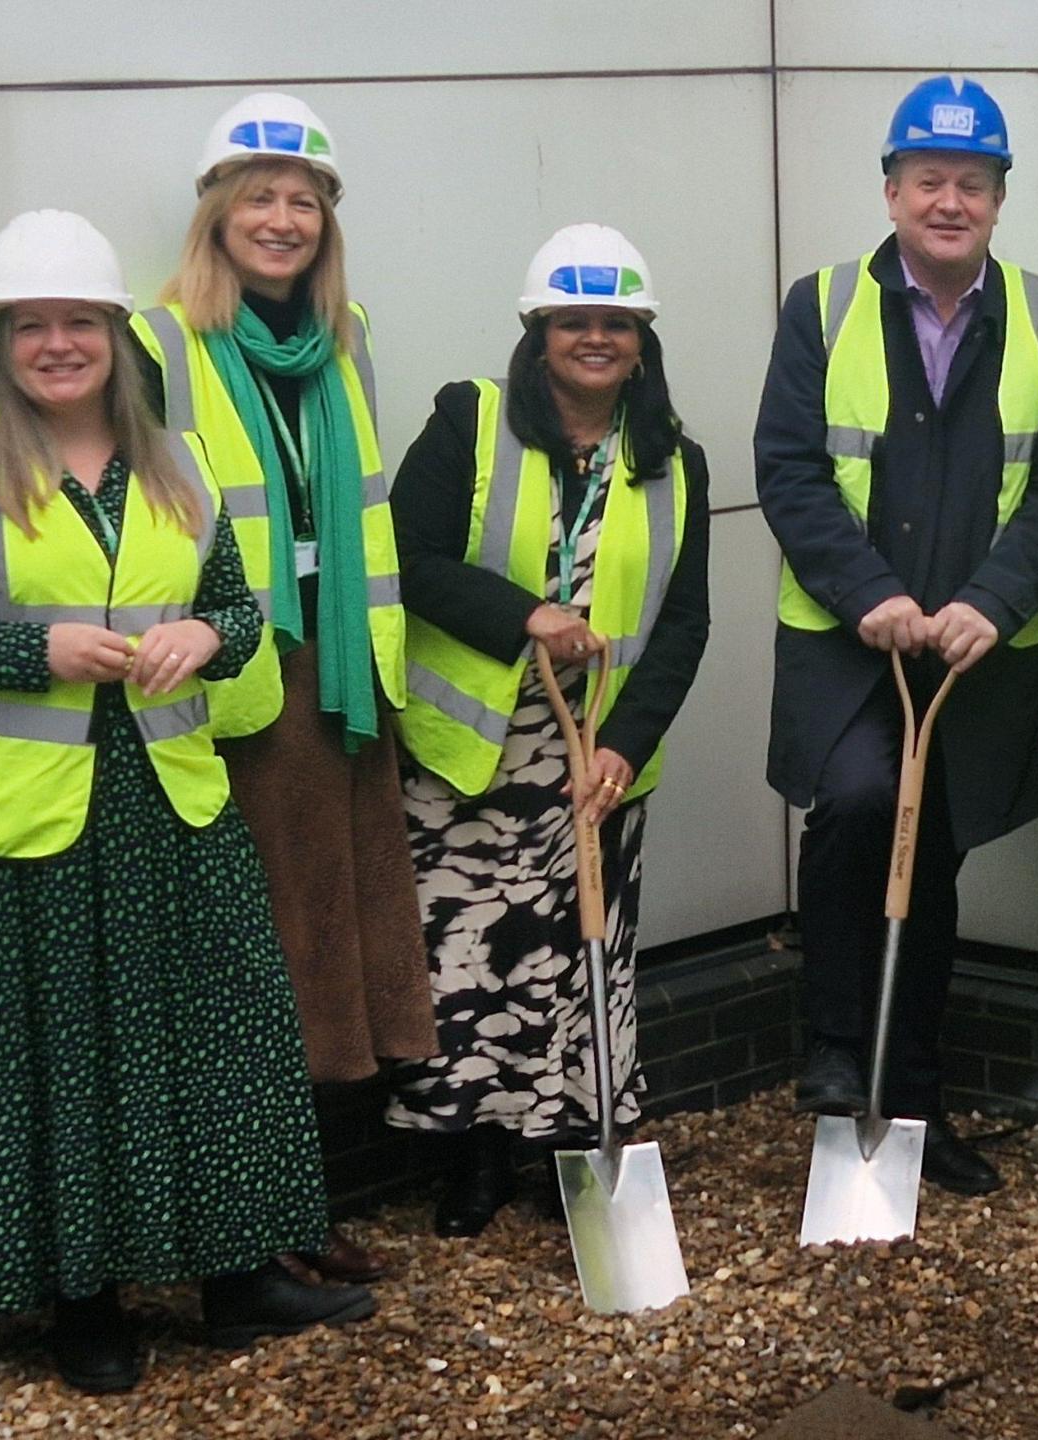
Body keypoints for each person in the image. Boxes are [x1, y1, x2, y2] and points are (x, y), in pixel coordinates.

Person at [0, 210, 373, 1394]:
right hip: (10, 824)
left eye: (76, 321)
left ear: (113, 334)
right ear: (2, 342)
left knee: (219, 1039)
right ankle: (85, 1302)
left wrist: (206, 631)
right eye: (30, 326)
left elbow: (238, 613)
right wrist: (37, 652)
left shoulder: (181, 466)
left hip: (168, 804)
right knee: (59, 1055)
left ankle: (239, 1278)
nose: (56, 344)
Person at [756, 73, 1038, 1196]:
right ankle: (835, 1049)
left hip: (971, 651)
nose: (948, 201)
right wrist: (869, 593)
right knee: (859, 803)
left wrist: (991, 605)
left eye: (972, 183)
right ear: (892, 189)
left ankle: (910, 1102)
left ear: (1000, 198)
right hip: (849, 642)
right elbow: (791, 469)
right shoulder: (819, 306)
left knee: (933, 859)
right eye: (927, 181)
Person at [131, 92, 434, 1283]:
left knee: (330, 945)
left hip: (340, 678)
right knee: (256, 959)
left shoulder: (343, 332)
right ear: (214, 214)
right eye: (257, 196)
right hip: (228, 692)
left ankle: (294, 1211)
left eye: (303, 201)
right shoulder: (155, 344)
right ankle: (255, 1226)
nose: (281, 218)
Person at [385, 223, 710, 1236]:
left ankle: (571, 1156)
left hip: (595, 757)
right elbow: (410, 555)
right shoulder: (469, 424)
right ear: (538, 332)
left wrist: (627, 743)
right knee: (476, 964)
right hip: (469, 752)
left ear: (642, 339)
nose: (597, 339)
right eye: (575, 321)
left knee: (581, 960)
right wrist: (525, 616)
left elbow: (684, 620)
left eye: (617, 323)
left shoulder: (673, 461)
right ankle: (474, 1162)